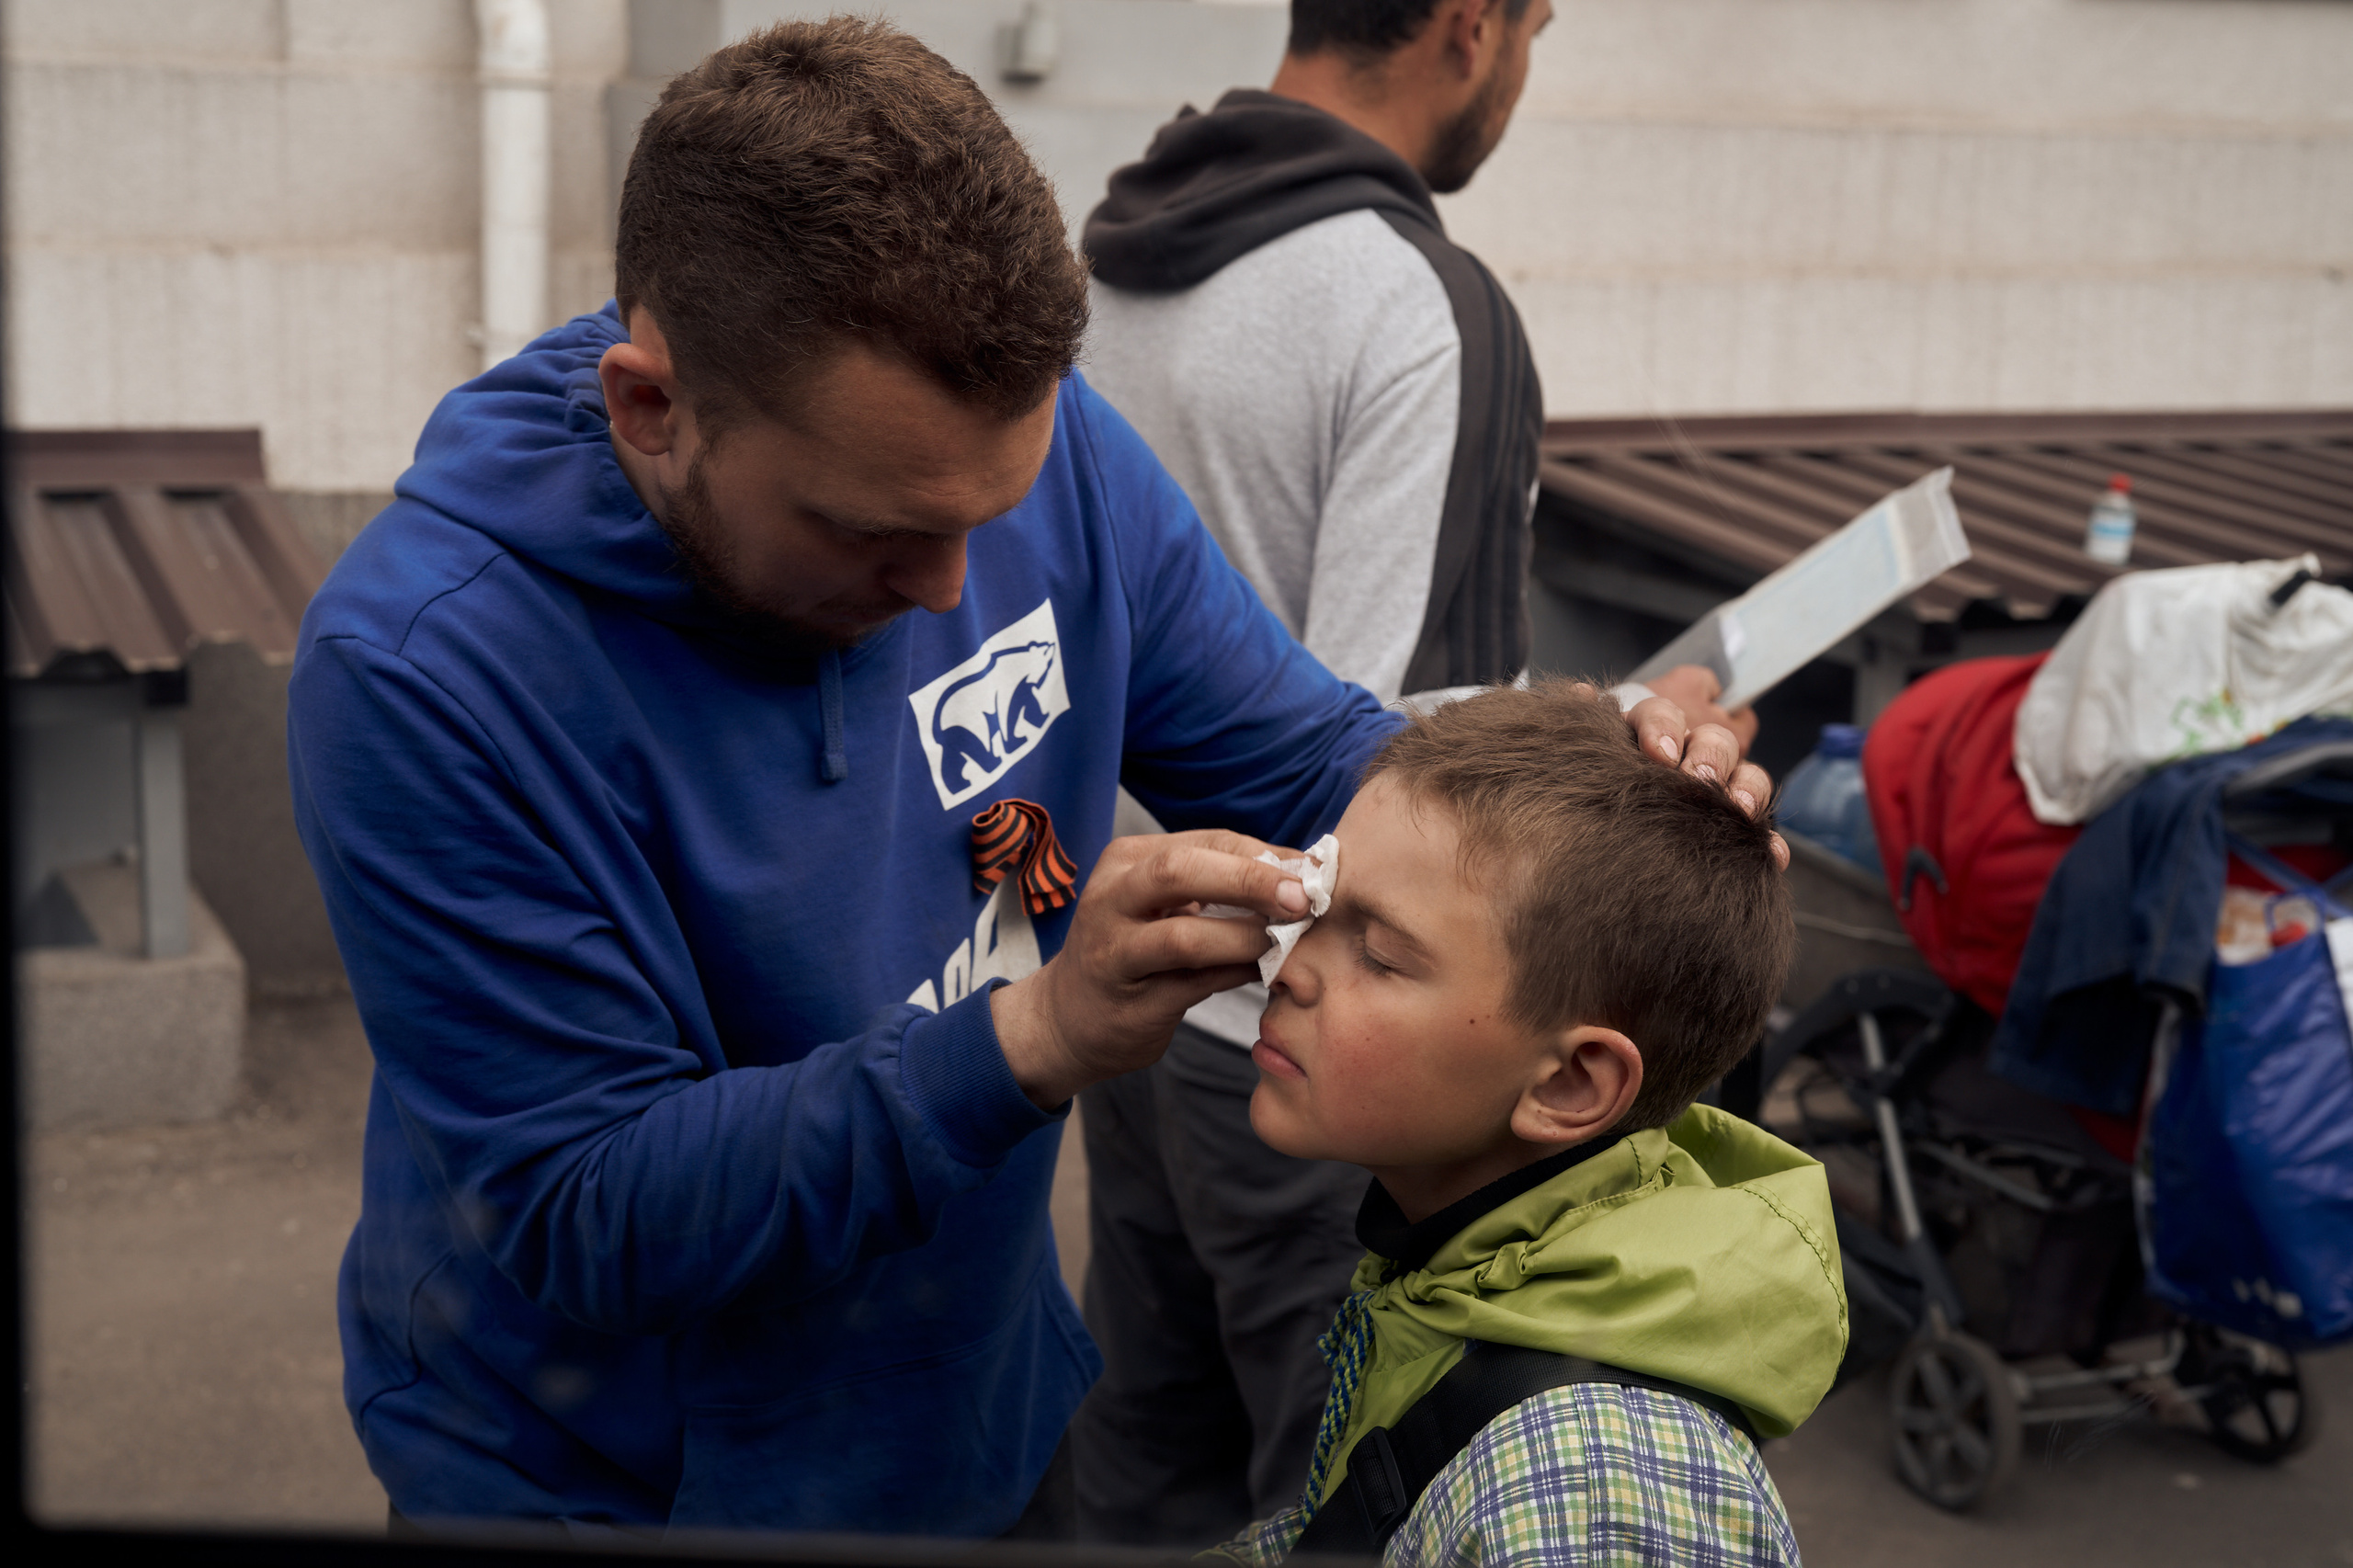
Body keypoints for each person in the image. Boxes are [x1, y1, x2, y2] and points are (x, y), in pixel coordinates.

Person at [288, 16, 1770, 1539]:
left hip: (984, 1422)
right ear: (653, 408)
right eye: (877, 528)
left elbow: (1317, 754)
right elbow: (584, 1208)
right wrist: (1034, 1036)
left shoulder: (1049, 463)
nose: (952, 590)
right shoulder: (428, 669)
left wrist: (1611, 786)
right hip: (623, 1489)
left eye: (990, 512)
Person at [1074, 0, 1753, 1542]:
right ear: (1471, 28)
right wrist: (1620, 732)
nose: (1524, 68)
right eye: (1536, 30)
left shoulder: (1114, 249)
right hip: (1334, 1036)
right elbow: (1436, 783)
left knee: (1146, 1459)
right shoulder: (1417, 302)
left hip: (1131, 970)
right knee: (1350, 1496)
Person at [1212, 681, 1842, 1566]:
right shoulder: (1456, 1268)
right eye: (1315, 903)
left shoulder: (1595, 1503)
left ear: (1572, 1086)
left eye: (1381, 953)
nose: (1284, 964)